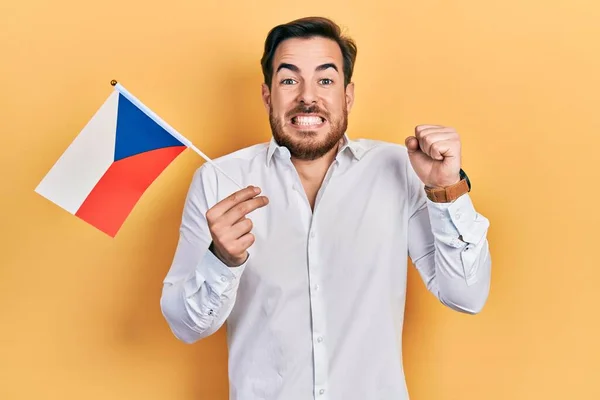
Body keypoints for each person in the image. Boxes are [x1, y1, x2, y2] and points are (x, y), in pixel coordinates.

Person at [160, 16, 491, 400]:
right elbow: (186, 327)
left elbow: (467, 296)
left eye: (325, 79)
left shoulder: (401, 169)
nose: (307, 96)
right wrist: (221, 259)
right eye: (289, 80)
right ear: (267, 95)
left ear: (347, 96)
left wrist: (446, 189)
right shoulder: (218, 180)